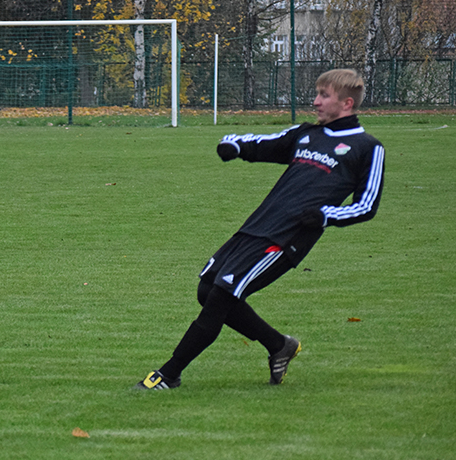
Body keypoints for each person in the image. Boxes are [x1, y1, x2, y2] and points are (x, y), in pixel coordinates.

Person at [136, 69, 385, 390]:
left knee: (221, 299)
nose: (315, 101)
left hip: (286, 238)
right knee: (206, 290)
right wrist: (236, 147)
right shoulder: (307, 133)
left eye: (324, 96)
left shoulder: (367, 147)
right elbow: (265, 144)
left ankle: (167, 375)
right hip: (255, 227)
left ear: (347, 103)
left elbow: (367, 205)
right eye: (317, 93)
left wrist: (326, 215)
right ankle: (278, 345)